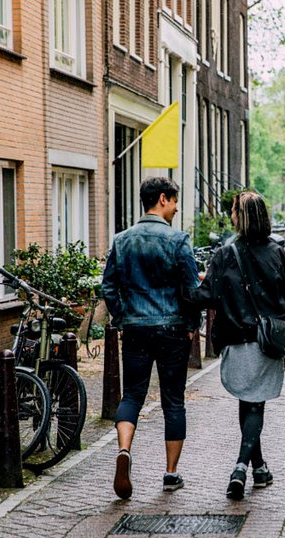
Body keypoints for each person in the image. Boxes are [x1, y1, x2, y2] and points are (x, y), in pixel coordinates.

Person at [189, 191, 285, 500]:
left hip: (236, 340)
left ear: (241, 216)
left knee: (248, 400)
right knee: (255, 402)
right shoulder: (277, 253)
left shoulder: (225, 254)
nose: (231, 216)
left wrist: (179, 287)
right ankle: (243, 467)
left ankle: (256, 468)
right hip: (268, 340)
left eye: (234, 211)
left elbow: (207, 296)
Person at [101, 177, 200, 499]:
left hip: (136, 329)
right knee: (173, 401)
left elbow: (109, 287)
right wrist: (191, 322)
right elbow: (190, 289)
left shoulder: (122, 240)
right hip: (172, 330)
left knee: (132, 395)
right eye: (173, 202)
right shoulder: (178, 240)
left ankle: (124, 450)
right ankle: (171, 473)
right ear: (162, 199)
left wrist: (122, 316)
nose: (175, 209)